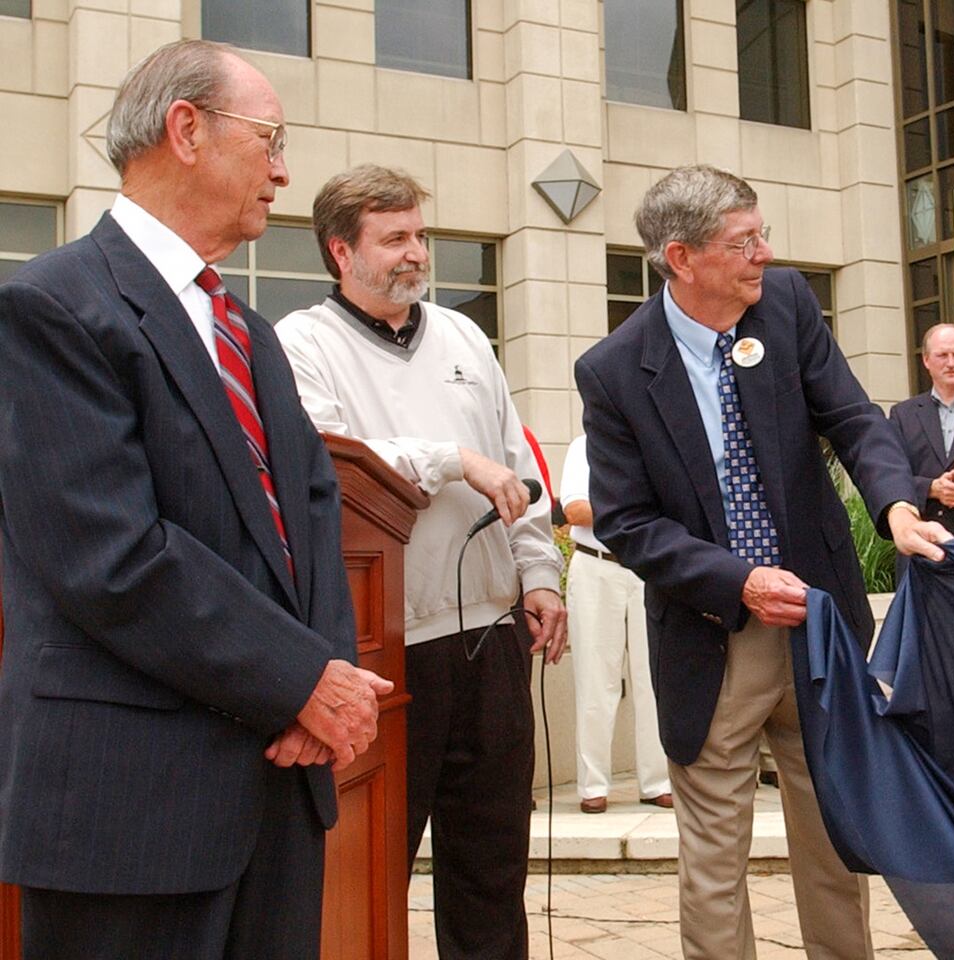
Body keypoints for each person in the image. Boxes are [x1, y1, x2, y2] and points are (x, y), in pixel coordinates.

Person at [0, 39, 390, 960]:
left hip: (277, 780)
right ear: (186, 130)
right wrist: (301, 680)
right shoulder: (52, 306)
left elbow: (313, 510)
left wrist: (319, 683)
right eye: (271, 140)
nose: (285, 172)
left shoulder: (246, 328)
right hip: (131, 809)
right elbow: (111, 556)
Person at [573, 164, 951, 960]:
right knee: (713, 856)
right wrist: (737, 578)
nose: (764, 255)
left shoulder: (781, 306)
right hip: (714, 632)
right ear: (681, 257)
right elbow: (628, 522)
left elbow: (851, 415)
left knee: (836, 838)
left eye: (762, 236)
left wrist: (896, 504)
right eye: (743, 243)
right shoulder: (614, 370)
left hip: (817, 627)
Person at [274, 164, 567, 960]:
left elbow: (517, 468)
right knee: (371, 869)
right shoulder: (303, 343)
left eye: (420, 235)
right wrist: (449, 459)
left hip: (492, 642)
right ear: (341, 250)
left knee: (492, 868)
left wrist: (538, 576)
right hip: (386, 653)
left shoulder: (465, 336)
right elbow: (331, 464)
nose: (416, 253)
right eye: (394, 238)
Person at [562, 433, 672, 814]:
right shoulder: (583, 447)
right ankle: (593, 785)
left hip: (647, 569)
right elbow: (575, 510)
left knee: (653, 677)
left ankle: (656, 781)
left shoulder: (652, 446)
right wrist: (632, 511)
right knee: (595, 679)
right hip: (596, 566)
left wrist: (613, 510)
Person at [889, 322, 954, 536]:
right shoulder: (903, 415)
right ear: (926, 360)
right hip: (921, 543)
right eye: (942, 355)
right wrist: (932, 488)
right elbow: (892, 477)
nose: (951, 363)